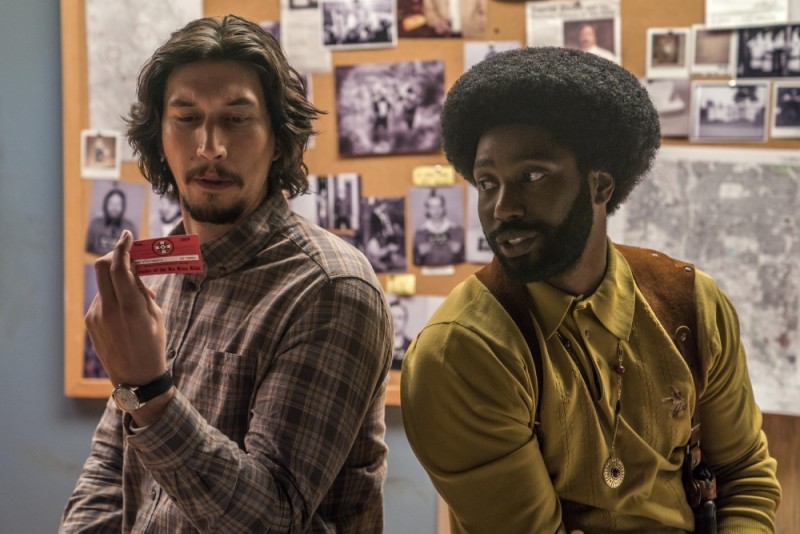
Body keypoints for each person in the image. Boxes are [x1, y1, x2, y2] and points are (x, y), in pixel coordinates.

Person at [401, 47, 781, 533]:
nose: (503, 208)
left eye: (532, 176)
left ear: (600, 185)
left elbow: (744, 476)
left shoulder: (691, 304)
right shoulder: (462, 350)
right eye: (487, 183)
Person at [62, 15, 393, 532]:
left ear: (278, 139)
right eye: (186, 118)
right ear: (159, 137)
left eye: (236, 119)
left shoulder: (330, 289)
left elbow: (274, 518)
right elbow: (109, 470)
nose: (209, 146)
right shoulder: (158, 272)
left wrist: (151, 392)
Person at [412, 189, 465, 266]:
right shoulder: (419, 234)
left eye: (439, 206)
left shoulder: (458, 231)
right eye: (432, 207)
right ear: (427, 209)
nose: (436, 210)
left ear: (443, 207)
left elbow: (466, 261)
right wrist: (420, 255)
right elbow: (414, 262)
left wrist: (460, 253)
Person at [85, 188, 138, 255]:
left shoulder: (130, 228)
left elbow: (134, 254)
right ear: (105, 205)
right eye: (111, 203)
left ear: (123, 206)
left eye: (118, 204)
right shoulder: (95, 225)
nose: (114, 208)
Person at [388, 299, 413, 369]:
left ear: (405, 320)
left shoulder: (412, 346)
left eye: (399, 318)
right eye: (393, 317)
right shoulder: (380, 345)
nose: (395, 322)